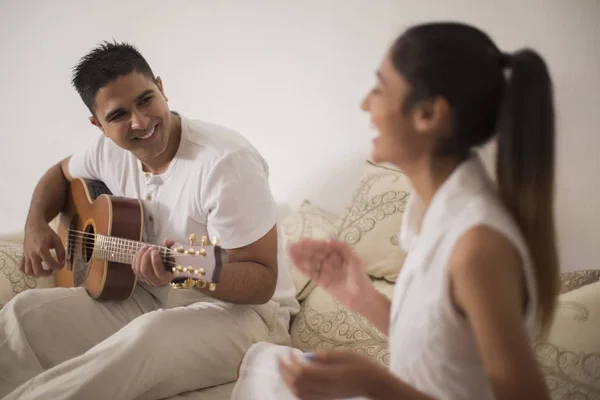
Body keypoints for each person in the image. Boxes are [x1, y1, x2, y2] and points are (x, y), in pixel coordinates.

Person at [232, 21, 558, 400]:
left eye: (380, 89)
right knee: (266, 366)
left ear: (428, 115)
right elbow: (442, 351)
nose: (365, 104)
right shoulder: (428, 212)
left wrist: (377, 384)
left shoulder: (477, 246)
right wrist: (360, 296)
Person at [0, 41, 299, 399]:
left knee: (147, 335)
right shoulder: (106, 152)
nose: (140, 122)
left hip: (247, 315)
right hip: (145, 295)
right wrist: (35, 224)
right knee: (23, 315)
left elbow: (261, 282)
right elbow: (59, 174)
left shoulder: (225, 162)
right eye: (118, 115)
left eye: (145, 99)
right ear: (99, 125)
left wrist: (183, 269)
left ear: (162, 87)